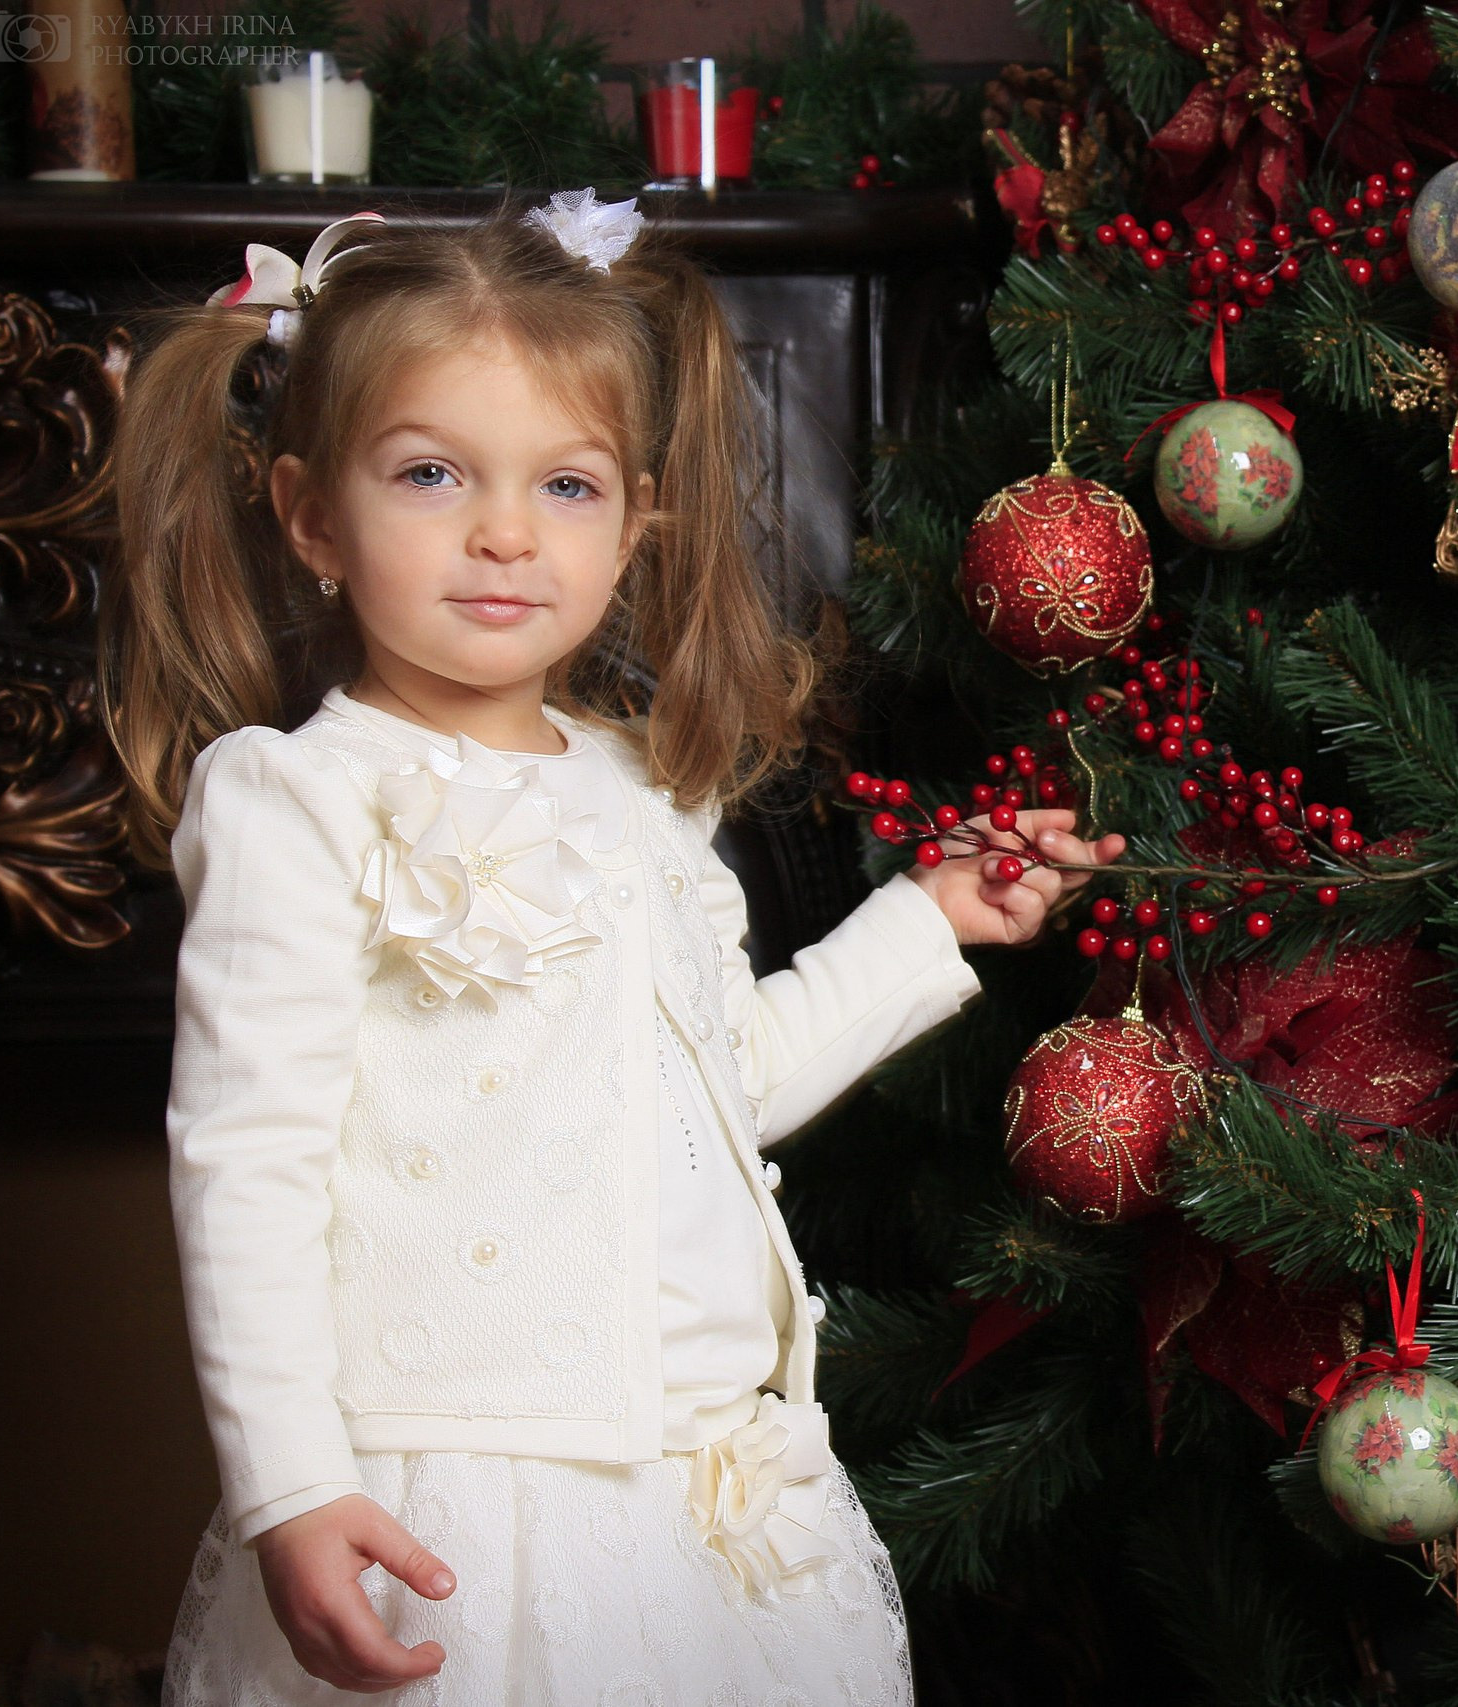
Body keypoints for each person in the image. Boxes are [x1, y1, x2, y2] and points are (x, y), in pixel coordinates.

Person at [100, 188, 1123, 1704]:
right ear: (315, 512)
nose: (505, 531)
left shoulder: (647, 786)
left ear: (638, 520)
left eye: (566, 487)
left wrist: (927, 916)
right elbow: (243, 1169)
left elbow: (720, 1081)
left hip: (695, 1495)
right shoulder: (297, 803)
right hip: (464, 1498)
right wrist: (291, 1485)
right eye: (433, 473)